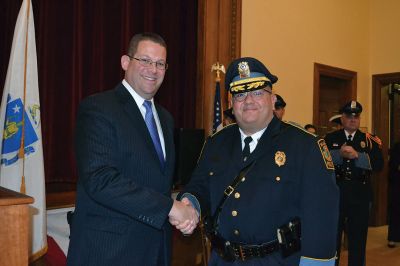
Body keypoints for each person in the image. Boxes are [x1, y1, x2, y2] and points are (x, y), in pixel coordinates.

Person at [178, 57, 339, 265]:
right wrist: (190, 202)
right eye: (240, 94)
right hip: (223, 260)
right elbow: (199, 185)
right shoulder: (216, 143)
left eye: (257, 92)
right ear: (231, 103)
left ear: (273, 100)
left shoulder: (305, 146)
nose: (249, 101)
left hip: (277, 260)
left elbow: (321, 217)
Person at [66, 32, 198, 266]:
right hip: (109, 253)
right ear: (125, 62)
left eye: (160, 64)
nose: (153, 69)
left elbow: (159, 184)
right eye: (145, 60)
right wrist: (170, 208)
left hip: (156, 251)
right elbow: (101, 180)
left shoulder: (165, 119)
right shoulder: (98, 108)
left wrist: (184, 215)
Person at [324, 101, 384, 266]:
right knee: (333, 238)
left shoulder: (369, 140)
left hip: (360, 194)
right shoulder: (330, 138)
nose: (352, 119)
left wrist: (358, 155)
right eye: (349, 116)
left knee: (358, 239)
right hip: (336, 194)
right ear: (342, 118)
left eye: (356, 116)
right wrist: (339, 155)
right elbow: (320, 162)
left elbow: (379, 164)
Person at [388, 141, 400, 248]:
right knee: (396, 209)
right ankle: (392, 238)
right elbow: (394, 165)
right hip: (397, 183)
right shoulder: (397, 146)